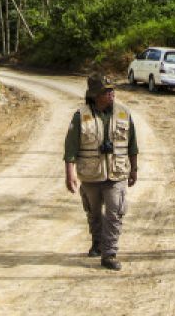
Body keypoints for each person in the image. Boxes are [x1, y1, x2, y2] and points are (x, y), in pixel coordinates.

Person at [63, 73, 138, 271]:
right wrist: (69, 174)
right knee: (94, 213)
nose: (111, 94)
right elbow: (70, 148)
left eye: (112, 90)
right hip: (91, 175)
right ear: (95, 95)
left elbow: (132, 145)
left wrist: (134, 169)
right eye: (106, 91)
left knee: (115, 213)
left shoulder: (124, 113)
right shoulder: (81, 116)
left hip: (117, 174)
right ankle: (97, 242)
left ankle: (109, 253)